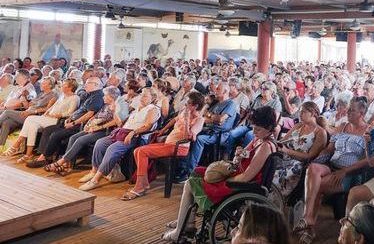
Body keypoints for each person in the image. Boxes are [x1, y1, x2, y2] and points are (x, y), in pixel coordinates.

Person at [161, 106, 277, 242]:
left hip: (241, 183)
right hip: (238, 174)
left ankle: (183, 226)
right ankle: (186, 222)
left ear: (269, 128)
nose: (254, 131)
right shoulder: (259, 140)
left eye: (258, 129)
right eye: (253, 127)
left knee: (191, 183)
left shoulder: (265, 147)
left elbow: (247, 177)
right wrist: (238, 155)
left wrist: (223, 180)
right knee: (196, 173)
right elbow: (241, 158)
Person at [296, 97, 369, 244]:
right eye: (348, 109)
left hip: (350, 173)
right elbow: (329, 149)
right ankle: (308, 218)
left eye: (352, 110)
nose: (347, 112)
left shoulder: (368, 131)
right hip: (332, 166)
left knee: (316, 186)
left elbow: (367, 160)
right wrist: (318, 157)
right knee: (312, 168)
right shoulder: (342, 126)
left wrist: (345, 171)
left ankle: (308, 226)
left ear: (361, 113)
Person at [122, 91, 205, 200]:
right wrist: (163, 130)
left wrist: (186, 119)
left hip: (179, 148)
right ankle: (144, 183)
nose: (185, 105)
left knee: (142, 152)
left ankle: (139, 187)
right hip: (169, 144)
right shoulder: (184, 111)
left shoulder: (199, 120)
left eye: (187, 103)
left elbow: (186, 138)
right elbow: (174, 120)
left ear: (195, 106)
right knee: (137, 150)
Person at [78, 87, 161, 191]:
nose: (141, 98)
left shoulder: (153, 109)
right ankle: (94, 171)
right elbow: (121, 123)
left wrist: (133, 132)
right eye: (141, 95)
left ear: (152, 98)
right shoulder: (137, 108)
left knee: (112, 148)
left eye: (145, 96)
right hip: (123, 132)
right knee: (100, 143)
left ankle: (95, 180)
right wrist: (115, 112)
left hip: (136, 136)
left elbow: (148, 126)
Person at [25, 77, 104, 168]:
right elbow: (79, 111)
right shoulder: (89, 94)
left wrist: (73, 123)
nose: (85, 85)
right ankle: (44, 156)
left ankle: (44, 158)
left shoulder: (97, 96)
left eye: (88, 83)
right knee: (48, 130)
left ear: (96, 85)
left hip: (79, 125)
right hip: (72, 120)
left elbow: (89, 114)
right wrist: (70, 118)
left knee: (55, 134)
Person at [44, 86, 123, 174]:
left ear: (111, 97)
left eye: (105, 96)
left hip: (105, 131)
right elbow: (96, 115)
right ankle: (68, 165)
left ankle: (61, 162)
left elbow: (115, 122)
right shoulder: (106, 105)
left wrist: (99, 127)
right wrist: (88, 123)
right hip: (94, 127)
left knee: (80, 140)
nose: (103, 97)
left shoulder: (117, 106)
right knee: (73, 138)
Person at [1, 79, 79, 160]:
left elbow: (70, 113)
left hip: (57, 120)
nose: (62, 86)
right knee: (32, 126)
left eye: (64, 85)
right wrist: (47, 113)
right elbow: (52, 107)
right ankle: (28, 154)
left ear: (70, 87)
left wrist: (58, 115)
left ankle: (16, 145)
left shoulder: (75, 98)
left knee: (29, 118)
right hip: (48, 117)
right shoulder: (62, 96)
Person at [272, 101, 327, 197]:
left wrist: (288, 151)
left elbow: (310, 156)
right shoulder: (299, 126)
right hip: (285, 156)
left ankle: (275, 197)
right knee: (268, 160)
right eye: (300, 112)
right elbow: (283, 141)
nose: (299, 114)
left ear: (313, 113)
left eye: (303, 112)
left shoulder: (320, 132)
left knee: (282, 173)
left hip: (299, 162)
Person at [0, 76, 58, 150]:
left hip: (34, 116)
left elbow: (48, 109)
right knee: (7, 122)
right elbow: (29, 104)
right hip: (26, 112)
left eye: (43, 84)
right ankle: (1, 145)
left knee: (7, 112)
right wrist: (25, 98)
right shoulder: (41, 93)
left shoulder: (53, 95)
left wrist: (33, 111)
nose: (41, 85)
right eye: (41, 83)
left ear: (50, 85)